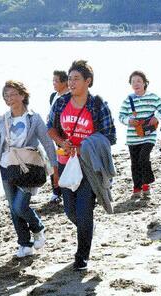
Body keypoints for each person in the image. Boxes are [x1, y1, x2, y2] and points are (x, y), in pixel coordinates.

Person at [47, 60, 116, 270]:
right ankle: (87, 229)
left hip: (88, 164)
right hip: (67, 163)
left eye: (76, 78)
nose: (71, 82)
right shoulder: (60, 102)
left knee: (84, 210)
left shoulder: (97, 104)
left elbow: (110, 136)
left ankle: (81, 255)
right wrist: (62, 142)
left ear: (88, 81)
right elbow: (50, 127)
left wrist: (86, 144)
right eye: (69, 78)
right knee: (70, 211)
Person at [0, 80, 59, 258]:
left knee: (20, 206)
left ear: (22, 95)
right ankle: (25, 245)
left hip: (29, 167)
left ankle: (38, 227)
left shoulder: (34, 118)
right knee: (13, 208)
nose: (9, 98)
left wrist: (56, 170)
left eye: (12, 94)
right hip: (6, 167)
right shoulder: (0, 120)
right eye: (6, 95)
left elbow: (48, 144)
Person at [119, 71, 161, 199]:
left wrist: (156, 117)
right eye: (133, 81)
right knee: (135, 163)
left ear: (144, 83)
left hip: (149, 135)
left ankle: (146, 184)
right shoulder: (128, 100)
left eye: (139, 81)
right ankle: (137, 188)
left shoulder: (153, 97)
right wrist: (129, 121)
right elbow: (121, 116)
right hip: (133, 137)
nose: (136, 84)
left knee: (143, 158)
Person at [48, 70, 69, 203]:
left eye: (56, 81)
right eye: (53, 80)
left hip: (65, 135)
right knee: (53, 162)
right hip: (53, 133)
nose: (54, 83)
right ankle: (56, 192)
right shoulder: (53, 96)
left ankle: (64, 191)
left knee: (66, 163)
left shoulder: (70, 96)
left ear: (64, 82)